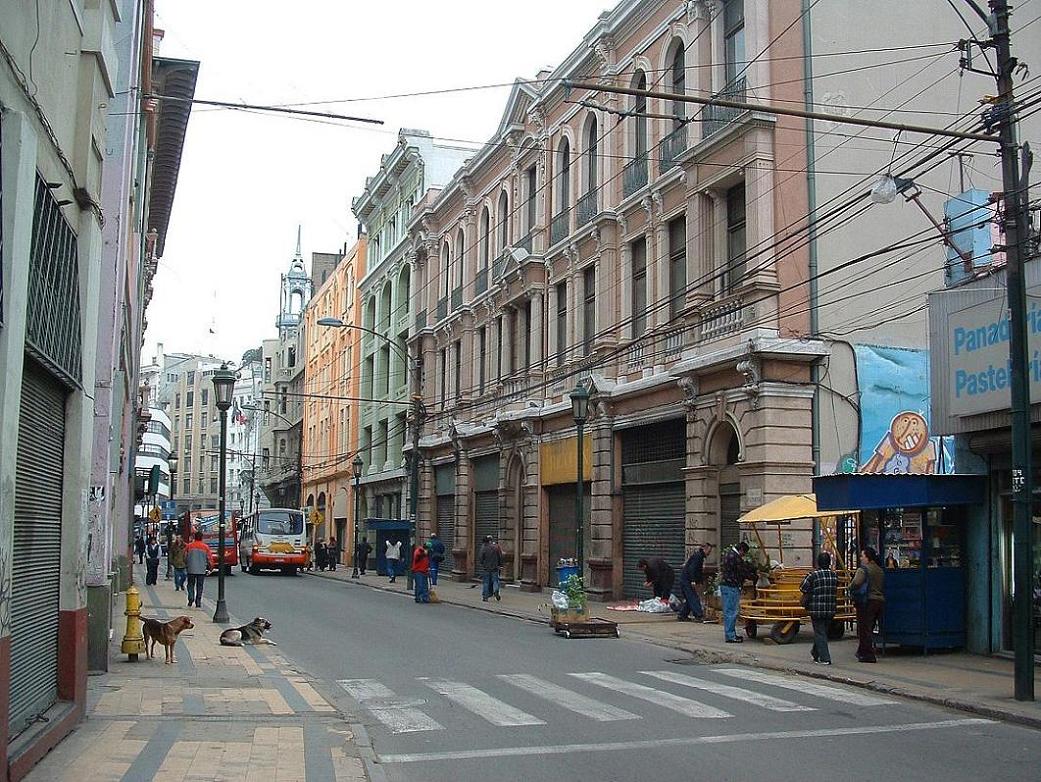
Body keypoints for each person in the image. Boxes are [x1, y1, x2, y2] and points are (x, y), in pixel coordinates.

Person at [800, 552, 838, 665]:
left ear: (818, 563)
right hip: (830, 609)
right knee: (822, 632)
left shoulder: (813, 575)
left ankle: (825, 658)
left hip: (816, 609)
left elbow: (802, 587)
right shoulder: (834, 575)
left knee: (820, 632)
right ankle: (815, 653)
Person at [850, 547, 885, 663]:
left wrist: (851, 588)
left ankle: (868, 654)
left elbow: (856, 582)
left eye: (862, 556)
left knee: (864, 628)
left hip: (866, 601)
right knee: (869, 627)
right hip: (879, 601)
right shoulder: (879, 570)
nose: (860, 558)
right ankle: (861, 651)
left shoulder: (863, 570)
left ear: (867, 557)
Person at [719, 541, 755, 643]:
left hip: (725, 585)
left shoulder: (728, 554)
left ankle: (729, 634)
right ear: (741, 550)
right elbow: (742, 572)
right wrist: (754, 576)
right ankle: (731, 636)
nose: (743, 555)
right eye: (744, 553)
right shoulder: (735, 557)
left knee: (727, 611)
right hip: (732, 587)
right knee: (731, 611)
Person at [677, 543, 713, 622]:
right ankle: (698, 615)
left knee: (690, 598)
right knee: (693, 598)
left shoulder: (699, 556)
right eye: (709, 551)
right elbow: (692, 569)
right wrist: (693, 580)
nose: (709, 553)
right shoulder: (698, 557)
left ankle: (682, 615)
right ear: (705, 549)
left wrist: (699, 581)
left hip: (685, 579)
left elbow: (697, 571)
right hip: (687, 580)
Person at [185, 531, 210, 609]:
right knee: (200, 586)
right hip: (201, 570)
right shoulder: (205, 547)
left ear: (194, 537)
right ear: (202, 537)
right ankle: (198, 601)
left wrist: (187, 564)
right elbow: (209, 559)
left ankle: (191, 598)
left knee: (190, 584)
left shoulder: (189, 546)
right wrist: (210, 567)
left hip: (191, 569)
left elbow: (184, 557)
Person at [478, 535, 502, 602]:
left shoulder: (483, 548)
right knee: (495, 581)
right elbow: (499, 556)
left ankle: (485, 597)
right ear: (490, 540)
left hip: (486, 568)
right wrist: (500, 565)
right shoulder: (495, 547)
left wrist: (483, 564)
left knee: (486, 582)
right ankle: (496, 590)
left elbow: (480, 558)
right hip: (495, 567)